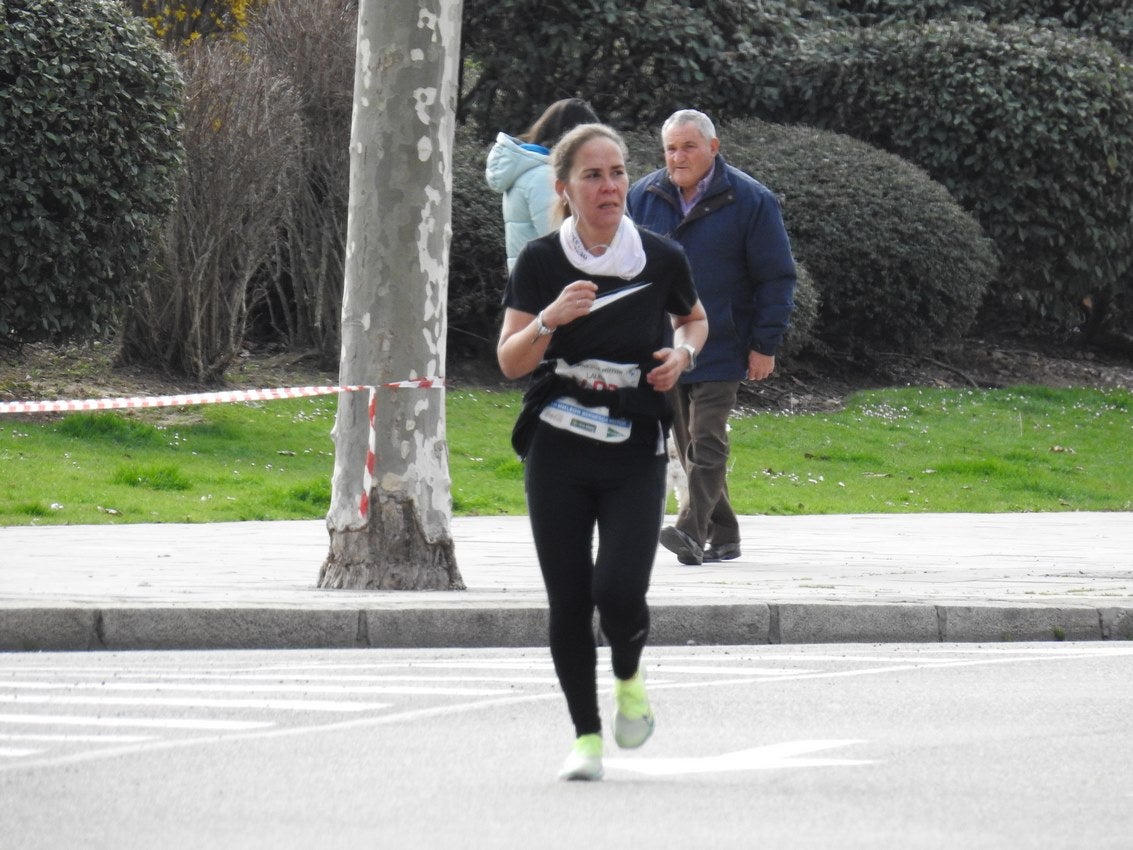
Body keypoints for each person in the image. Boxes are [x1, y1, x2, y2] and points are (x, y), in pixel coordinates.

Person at [497, 123, 708, 781]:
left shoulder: (660, 256)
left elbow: (693, 318)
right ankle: (585, 737)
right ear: (563, 188)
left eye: (616, 172)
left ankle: (628, 675)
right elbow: (509, 361)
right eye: (592, 175)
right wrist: (548, 319)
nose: (610, 185)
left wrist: (683, 354)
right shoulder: (540, 261)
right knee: (567, 598)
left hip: (632, 443)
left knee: (618, 589)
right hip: (557, 443)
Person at [627, 109, 796, 566]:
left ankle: (689, 531)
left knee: (706, 440)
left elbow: (777, 277)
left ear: (713, 148)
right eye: (670, 148)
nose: (678, 157)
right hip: (664, 345)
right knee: (687, 447)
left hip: (724, 341)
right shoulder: (642, 196)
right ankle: (726, 534)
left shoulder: (751, 200)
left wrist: (765, 344)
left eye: (688, 147)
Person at [485, 98, 600, 272]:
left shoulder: (530, 171)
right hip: (549, 288)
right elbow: (562, 241)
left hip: (535, 283)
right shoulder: (543, 177)